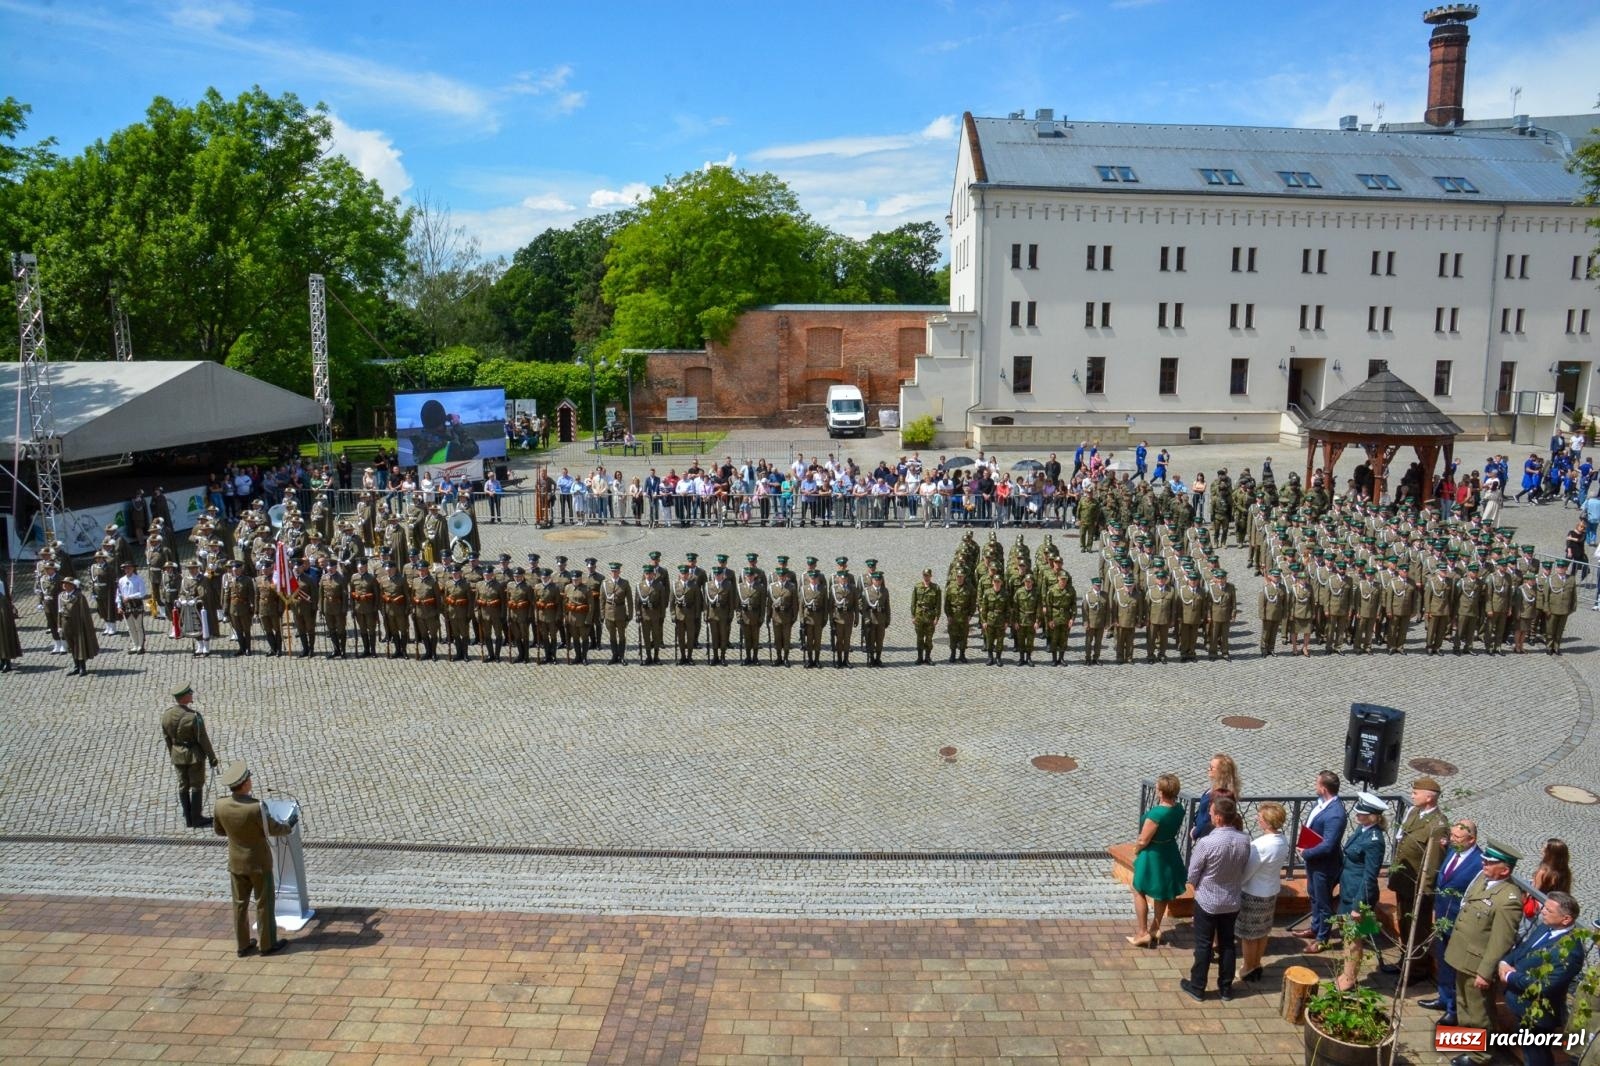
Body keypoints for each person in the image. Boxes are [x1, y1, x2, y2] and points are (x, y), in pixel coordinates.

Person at [1441, 840, 1524, 1065]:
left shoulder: (1509, 900)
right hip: (1462, 956)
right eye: (1485, 860)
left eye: (1490, 862)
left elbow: (1501, 942)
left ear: (1505, 869)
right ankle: (1469, 1047)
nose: (1484, 864)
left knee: (1480, 1012)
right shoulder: (1483, 880)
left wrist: (1485, 972)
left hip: (1478, 964)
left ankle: (1480, 1056)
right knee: (1464, 1005)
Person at [212, 760, 296, 956]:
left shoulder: (221, 805)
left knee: (239, 904)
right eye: (249, 778)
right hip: (258, 863)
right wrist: (289, 824)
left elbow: (219, 831)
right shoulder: (255, 807)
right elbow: (272, 829)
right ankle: (267, 943)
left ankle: (242, 945)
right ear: (244, 783)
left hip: (236, 862)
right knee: (264, 903)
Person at [1499, 892, 1585, 1066]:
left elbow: (1544, 986)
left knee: (1537, 1055)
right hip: (1519, 1003)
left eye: (1548, 910)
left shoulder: (1570, 952)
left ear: (1566, 919)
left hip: (1538, 1012)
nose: (1543, 911)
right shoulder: (1545, 927)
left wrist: (1510, 975)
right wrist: (1504, 962)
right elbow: (1523, 949)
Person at [1180, 795, 1250, 1002]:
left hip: (1208, 901)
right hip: (1232, 900)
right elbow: (1243, 867)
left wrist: (1198, 887)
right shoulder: (1244, 839)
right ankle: (1226, 989)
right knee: (1227, 944)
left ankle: (1197, 986)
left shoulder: (1207, 842)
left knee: (1203, 944)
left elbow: (1192, 873)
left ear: (1218, 817)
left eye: (1211, 813)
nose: (1209, 815)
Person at [1421, 819, 1484, 1023]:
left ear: (1471, 840)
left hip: (1459, 922)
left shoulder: (1478, 864)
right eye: (1452, 836)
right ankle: (1444, 996)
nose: (1451, 840)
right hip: (1442, 917)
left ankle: (1454, 1009)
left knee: (1456, 965)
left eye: (1457, 837)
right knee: (1443, 960)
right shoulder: (1453, 850)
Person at [1323, 793, 1388, 988]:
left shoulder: (1374, 840)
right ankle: (1347, 973)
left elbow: (1369, 876)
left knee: (1354, 937)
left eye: (1362, 813)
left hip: (1359, 896)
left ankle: (1350, 978)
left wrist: (1359, 906)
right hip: (1349, 890)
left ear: (1373, 816)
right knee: (1348, 935)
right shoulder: (1363, 830)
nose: (1357, 816)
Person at [1385, 777, 1446, 977]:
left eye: (1416, 793)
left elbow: (1433, 862)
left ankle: (1416, 969)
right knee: (1404, 921)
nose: (1412, 795)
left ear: (1429, 797)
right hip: (1404, 880)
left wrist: (1425, 891)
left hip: (1418, 886)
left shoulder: (1438, 825)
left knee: (1417, 927)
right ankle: (1404, 960)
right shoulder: (1414, 812)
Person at [1128, 773, 1187, 948]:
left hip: (1153, 854)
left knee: (1138, 888)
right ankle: (1155, 928)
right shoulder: (1179, 810)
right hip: (1169, 851)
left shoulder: (1156, 814)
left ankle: (1142, 932)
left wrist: (1136, 850)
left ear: (1160, 792)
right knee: (1162, 893)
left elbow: (1143, 840)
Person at [1237, 802, 1289, 983]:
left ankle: (1248, 967)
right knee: (1263, 931)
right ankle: (1257, 963)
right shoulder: (1283, 840)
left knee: (1249, 934)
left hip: (1254, 892)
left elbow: (1247, 872)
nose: (1257, 820)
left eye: (1260, 818)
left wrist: (1236, 885)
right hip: (1271, 889)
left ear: (1267, 822)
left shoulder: (1260, 845)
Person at [1295, 770, 1346, 951]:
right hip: (1314, 862)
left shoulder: (1335, 814)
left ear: (1323, 789)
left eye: (1317, 784)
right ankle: (1315, 928)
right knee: (1314, 897)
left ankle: (1322, 938)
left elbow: (1328, 845)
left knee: (1324, 903)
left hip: (1324, 865)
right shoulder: (1323, 804)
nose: (1315, 786)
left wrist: (1306, 853)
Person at [160, 683, 219, 828]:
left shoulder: (166, 715)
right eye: (190, 693)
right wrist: (212, 757)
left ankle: (188, 818)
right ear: (185, 697)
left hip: (177, 754)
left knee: (183, 785)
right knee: (196, 785)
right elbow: (202, 738)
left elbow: (167, 738)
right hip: (194, 756)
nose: (192, 694)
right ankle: (196, 817)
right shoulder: (193, 717)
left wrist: (173, 754)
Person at [1192, 753, 1241, 843]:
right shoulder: (1215, 789)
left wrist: (1195, 832)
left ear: (1221, 772)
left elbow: (1207, 818)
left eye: (1211, 767)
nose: (1208, 769)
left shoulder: (1220, 794)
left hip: (1208, 835)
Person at [57, 574, 99, 677]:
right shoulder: (61, 596)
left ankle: (82, 667)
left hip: (77, 624)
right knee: (71, 645)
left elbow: (84, 613)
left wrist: (84, 626)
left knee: (79, 645)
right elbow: (59, 611)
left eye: (67, 584)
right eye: (64, 584)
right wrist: (59, 625)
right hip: (66, 623)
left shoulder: (79, 597)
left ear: (72, 586)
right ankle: (76, 666)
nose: (65, 586)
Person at [1523, 838, 1572, 919]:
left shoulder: (1543, 872)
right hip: (1555, 908)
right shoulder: (1565, 872)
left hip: (1538, 909)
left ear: (1551, 854)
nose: (1542, 850)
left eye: (1545, 849)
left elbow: (1532, 891)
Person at [116, 560, 148, 654]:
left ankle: (141, 646)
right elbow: (118, 594)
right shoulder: (121, 580)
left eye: (129, 568)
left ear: (133, 568)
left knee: (138, 626)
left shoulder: (138, 579)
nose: (127, 570)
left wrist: (130, 597)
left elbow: (142, 593)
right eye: (126, 568)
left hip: (136, 605)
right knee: (130, 627)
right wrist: (119, 606)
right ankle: (135, 645)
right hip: (126, 606)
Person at [0, 573, 20, 672]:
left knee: (4, 638)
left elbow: (5, 599)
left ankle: (7, 662)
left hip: (2, 612)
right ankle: (2, 661)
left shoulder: (0, 583)